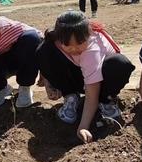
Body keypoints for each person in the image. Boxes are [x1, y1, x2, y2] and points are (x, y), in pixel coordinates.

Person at [36, 11, 134, 144]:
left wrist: (83, 127)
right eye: (68, 45)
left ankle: (106, 101)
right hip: (81, 75)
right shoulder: (54, 39)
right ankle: (71, 96)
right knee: (43, 50)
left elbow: (91, 95)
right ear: (58, 39)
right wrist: (48, 82)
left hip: (104, 79)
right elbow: (44, 57)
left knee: (119, 63)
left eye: (80, 43)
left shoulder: (92, 49)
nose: (75, 49)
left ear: (88, 35)